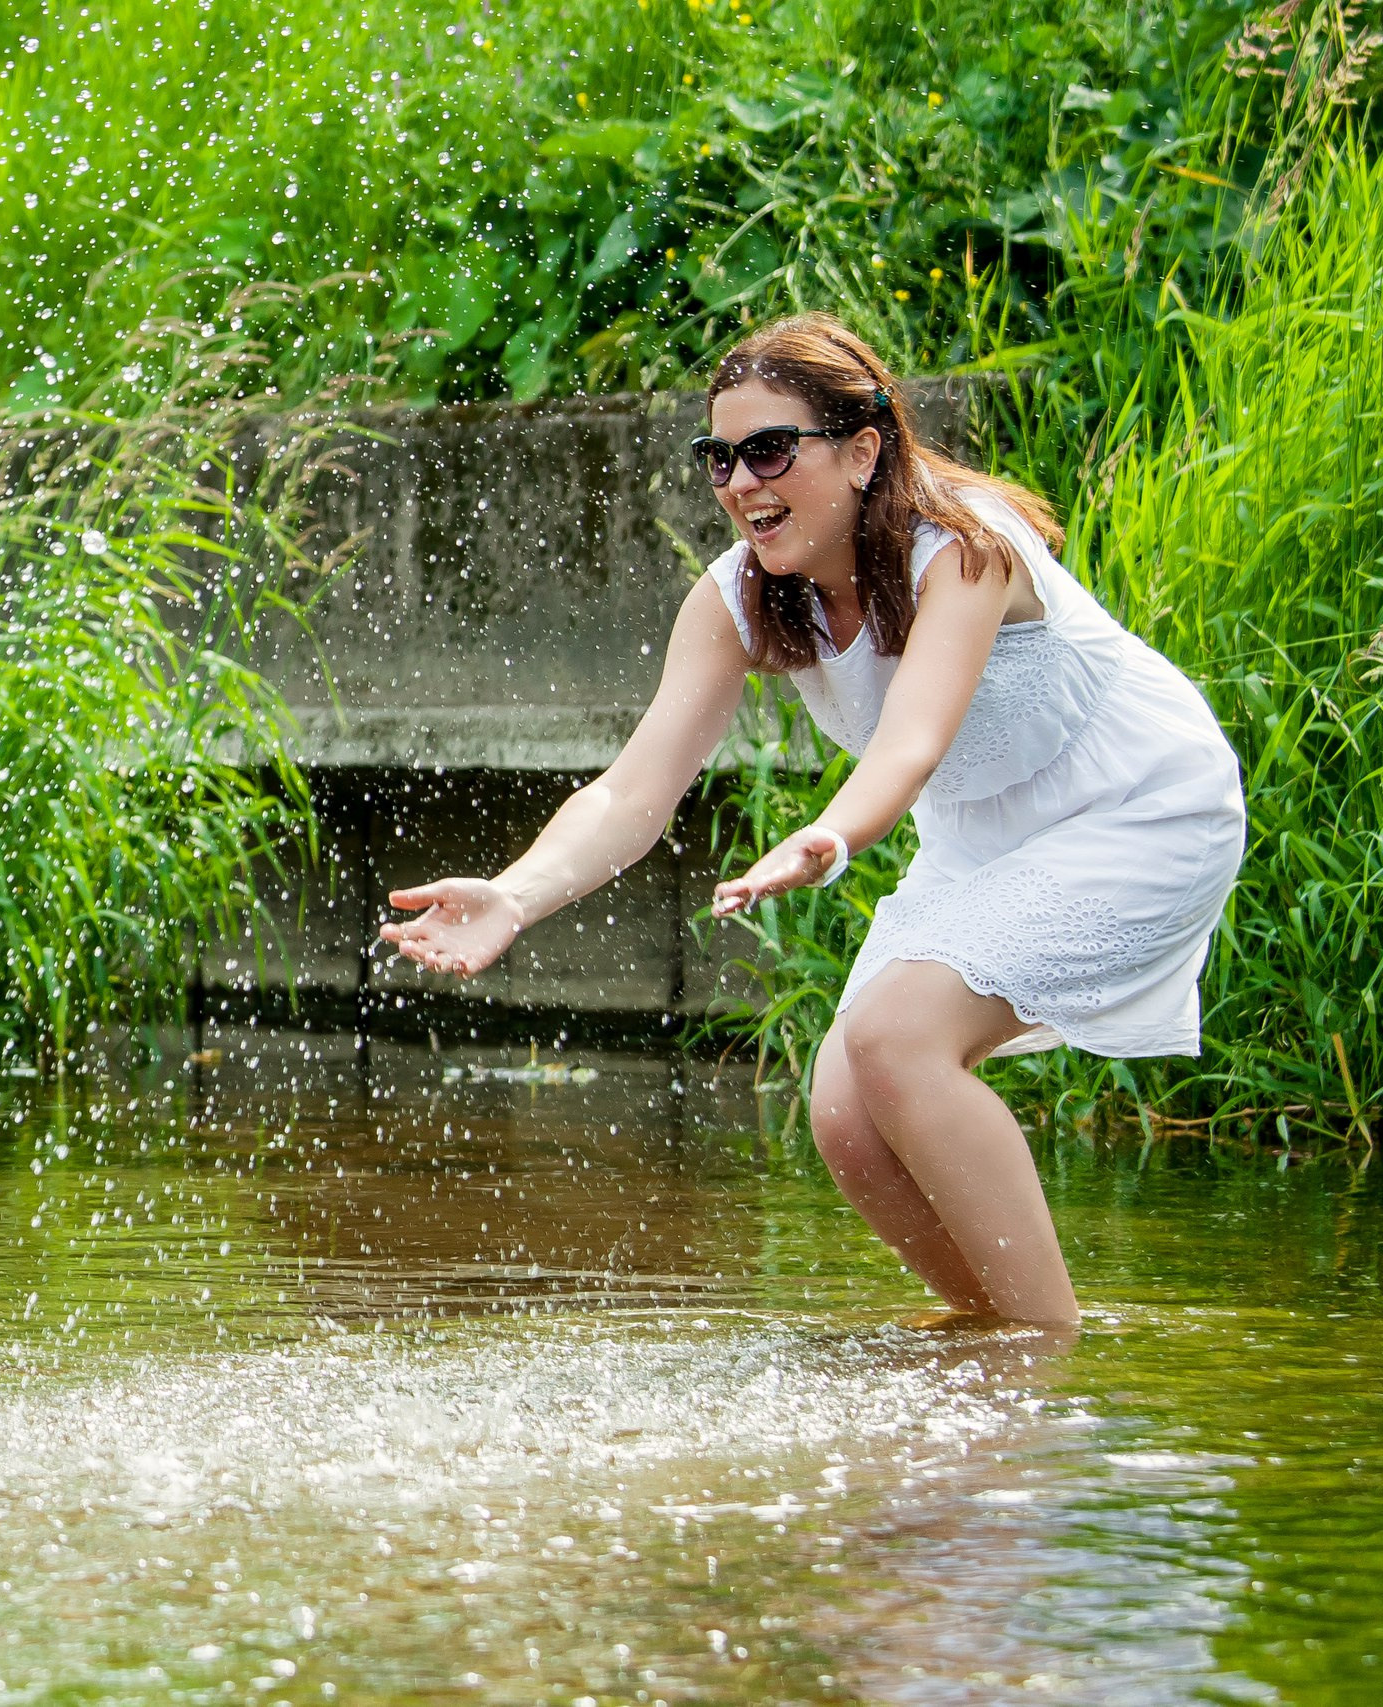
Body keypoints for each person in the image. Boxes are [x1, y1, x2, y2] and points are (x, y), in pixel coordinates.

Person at [378, 313, 1244, 1326]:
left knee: (895, 1039)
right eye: (720, 459)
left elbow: (910, 743)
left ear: (863, 450)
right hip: (982, 841)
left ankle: (1043, 1354)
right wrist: (515, 896)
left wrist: (829, 836)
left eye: (770, 450)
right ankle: (981, 1344)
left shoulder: (962, 549)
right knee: (843, 1111)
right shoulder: (737, 597)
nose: (742, 482)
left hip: (1141, 809)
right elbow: (630, 791)